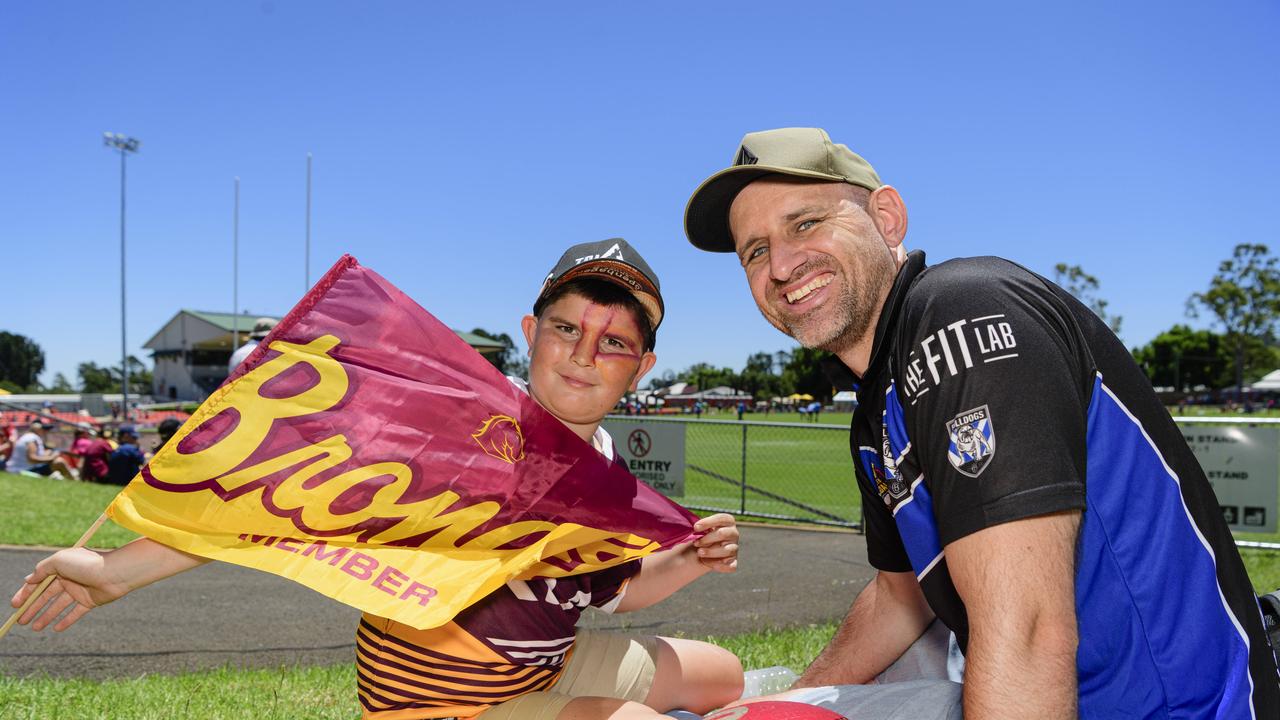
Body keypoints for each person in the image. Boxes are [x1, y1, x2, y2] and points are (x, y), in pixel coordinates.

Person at [11, 238, 743, 720]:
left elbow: (614, 591)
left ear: (642, 367)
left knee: (726, 676)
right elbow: (278, 502)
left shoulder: (611, 476)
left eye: (613, 342)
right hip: (442, 706)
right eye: (566, 328)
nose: (584, 354)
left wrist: (686, 561)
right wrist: (116, 572)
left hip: (542, 672)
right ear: (529, 331)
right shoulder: (464, 430)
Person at [683, 127, 1280, 718]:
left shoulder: (960, 312)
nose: (782, 265)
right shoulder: (874, 411)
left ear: (888, 218)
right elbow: (900, 597)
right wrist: (785, 705)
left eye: (805, 223)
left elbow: (1026, 631)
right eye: (755, 251)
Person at [5, 420, 75, 479]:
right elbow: (32, 458)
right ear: (37, 428)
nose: (46, 431)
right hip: (22, 471)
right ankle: (73, 481)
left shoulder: (28, 436)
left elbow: (35, 456)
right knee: (59, 462)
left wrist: (49, 453)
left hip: (19, 469)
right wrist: (52, 457)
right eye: (44, 429)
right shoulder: (32, 438)